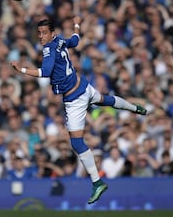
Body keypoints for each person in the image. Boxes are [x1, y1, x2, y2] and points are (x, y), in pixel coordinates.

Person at [10, 17, 147, 204]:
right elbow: (75, 40)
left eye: (44, 33)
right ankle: (135, 108)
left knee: (76, 143)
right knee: (105, 100)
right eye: (39, 33)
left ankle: (97, 182)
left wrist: (22, 69)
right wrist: (76, 24)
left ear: (52, 33)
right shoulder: (59, 41)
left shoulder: (49, 48)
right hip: (82, 84)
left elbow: (46, 71)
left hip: (74, 99)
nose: (41, 37)